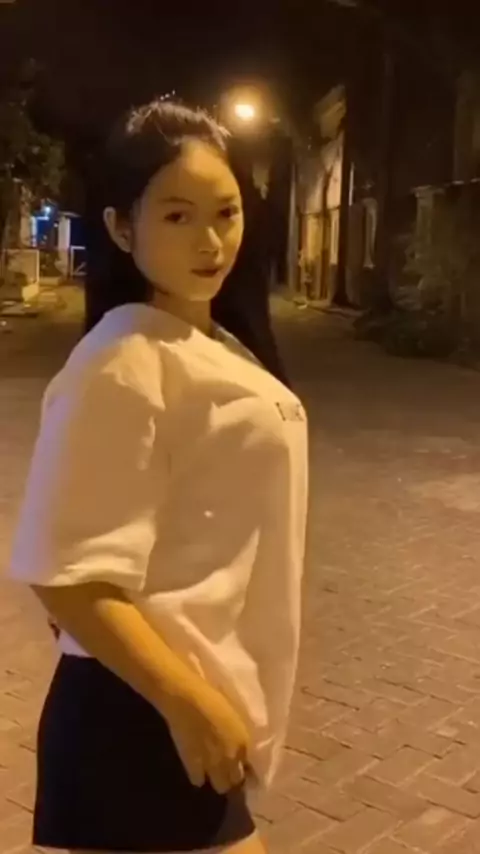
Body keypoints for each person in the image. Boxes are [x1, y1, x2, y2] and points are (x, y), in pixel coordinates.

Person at [8, 100, 308, 854]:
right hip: (148, 710)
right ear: (120, 227)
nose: (210, 241)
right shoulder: (122, 364)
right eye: (177, 216)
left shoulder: (214, 343)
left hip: (179, 700)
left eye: (226, 213)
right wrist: (188, 701)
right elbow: (65, 575)